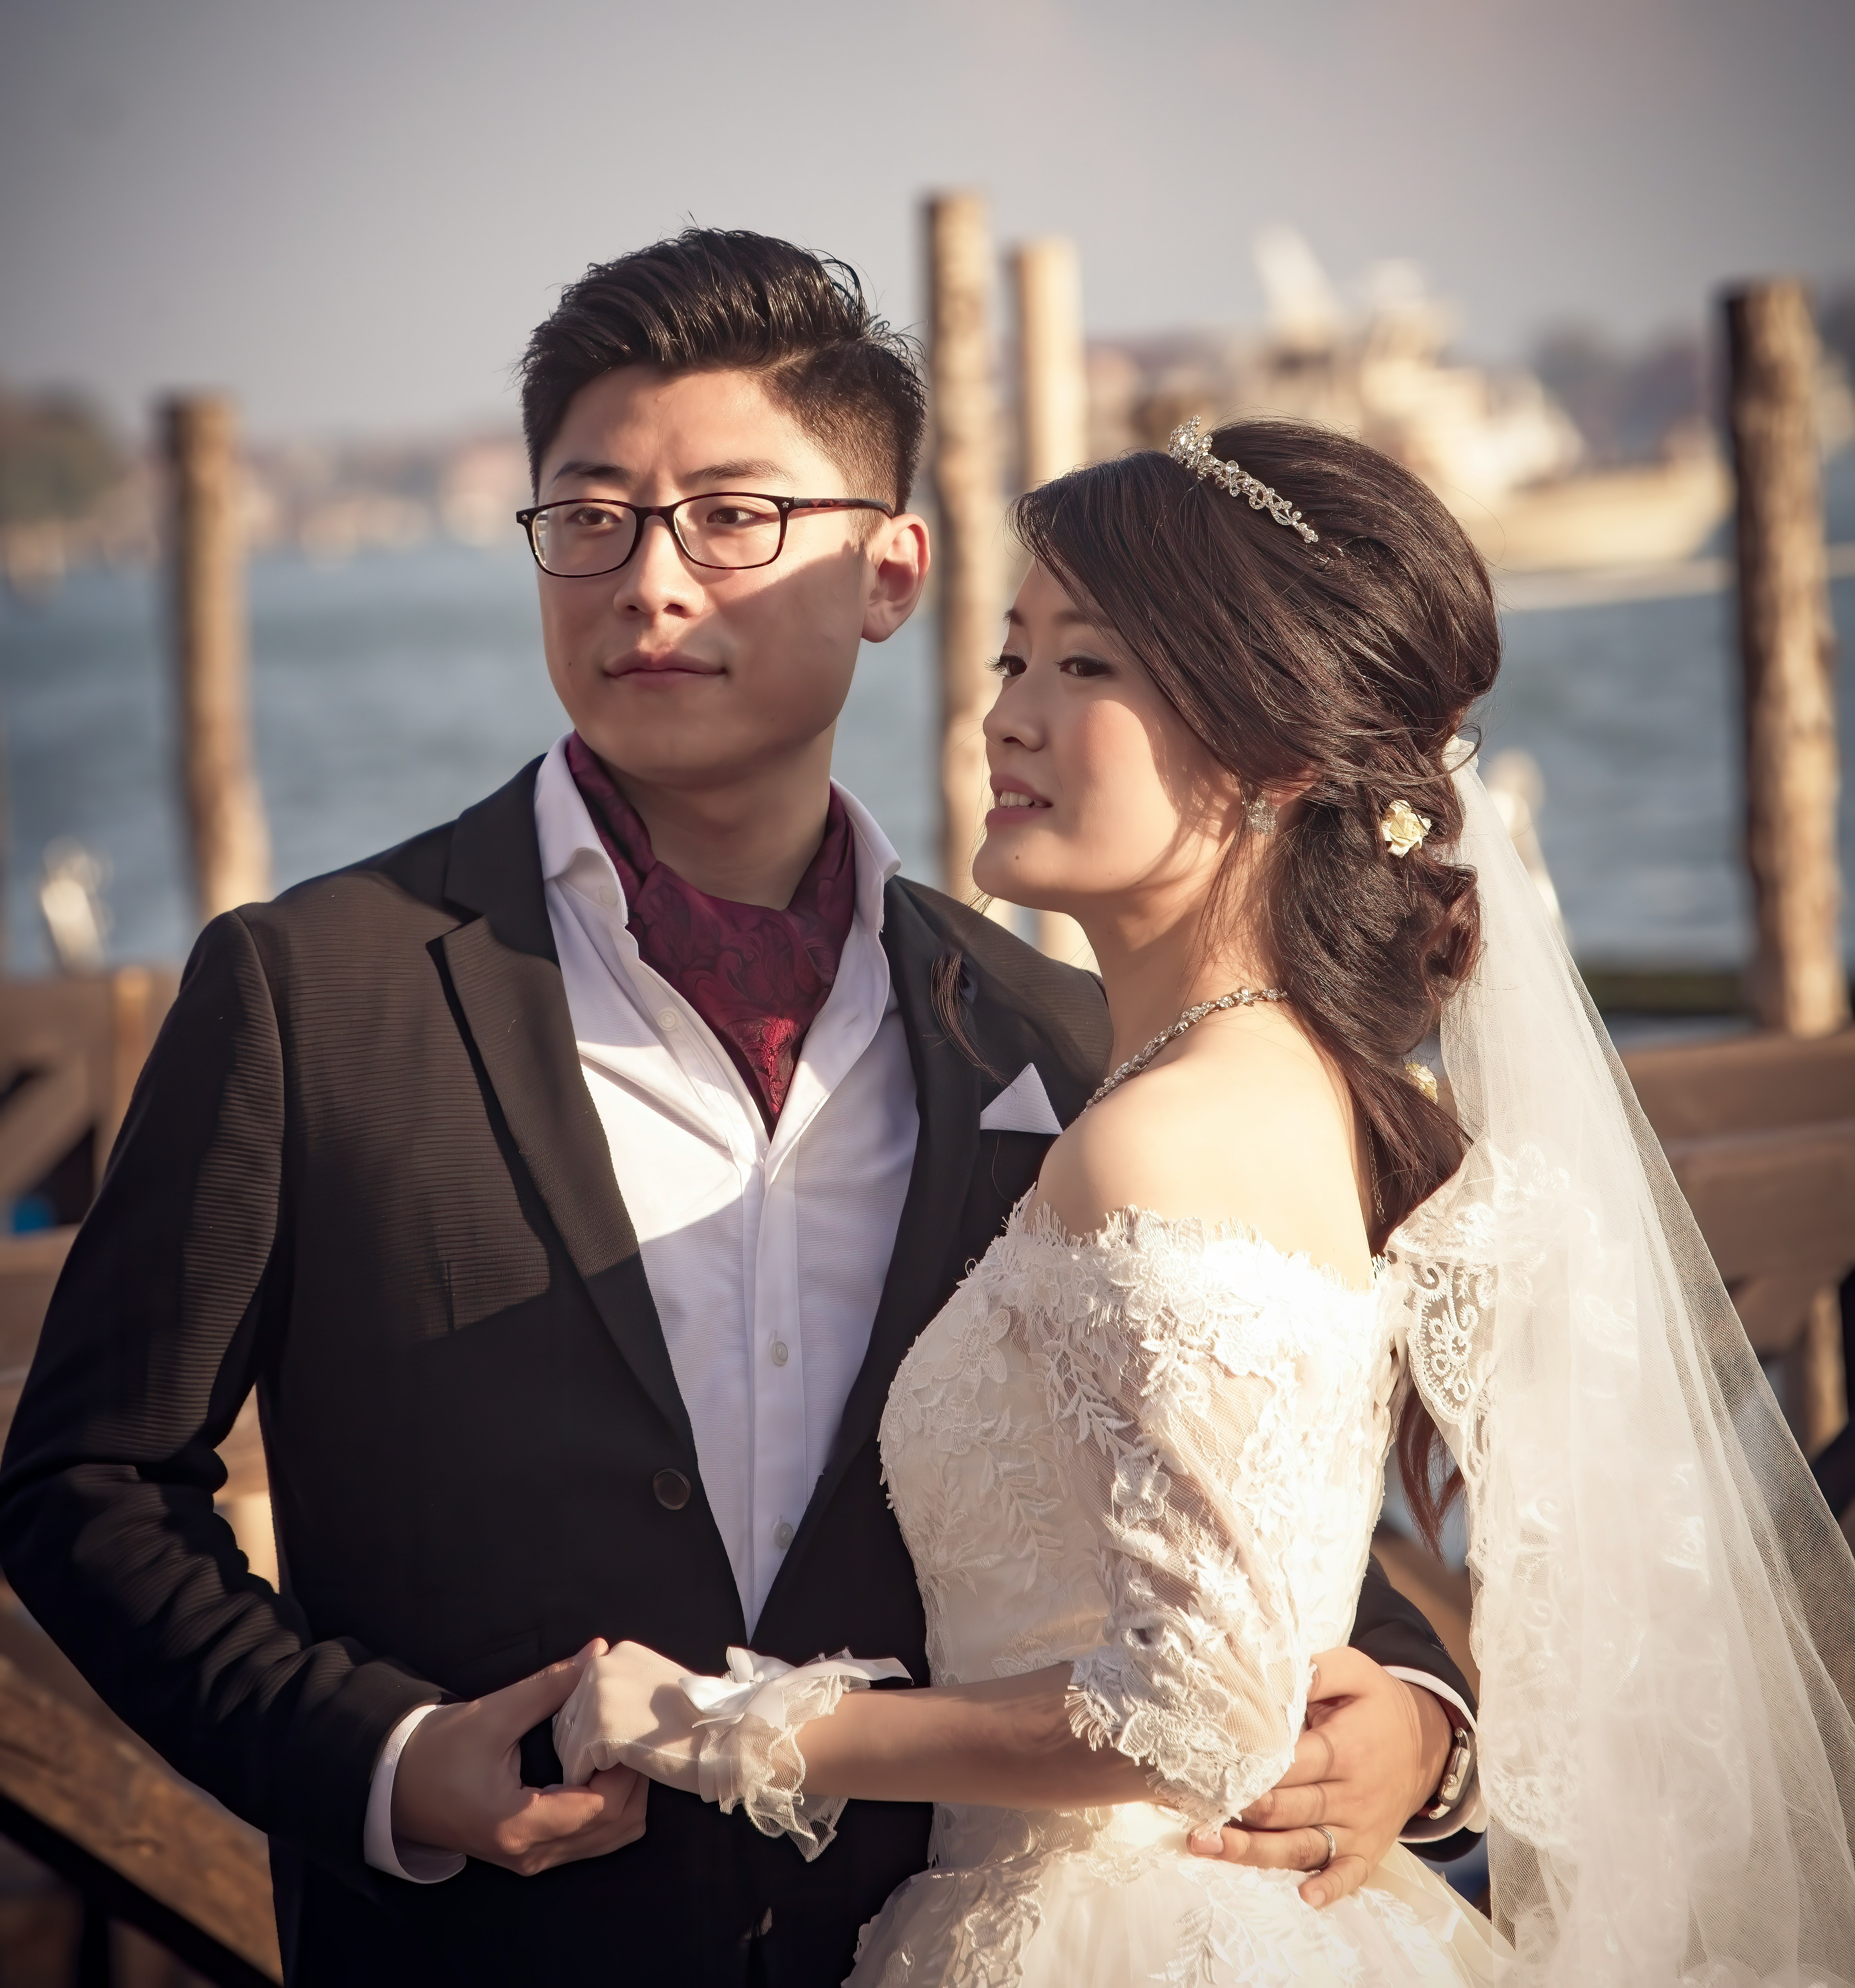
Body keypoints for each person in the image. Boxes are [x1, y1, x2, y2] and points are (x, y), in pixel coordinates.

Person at [0, 237, 1481, 1988]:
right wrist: (379, 1758)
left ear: (888, 571)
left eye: (729, 516)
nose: (649, 582)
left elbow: (1228, 1497)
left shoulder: (1060, 1032)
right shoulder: (309, 990)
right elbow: (90, 1479)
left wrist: (1418, 1725)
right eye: (591, 515)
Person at [556, 415, 1855, 1986]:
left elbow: (1196, 1710)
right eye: (1011, 661)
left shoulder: (1156, 1136)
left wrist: (733, 1726)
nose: (1011, 720)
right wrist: (1426, 1722)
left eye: (1087, 670)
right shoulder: (1287, 1082)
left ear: (1276, 756)